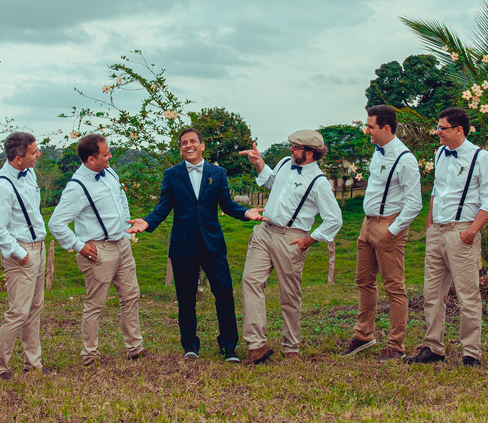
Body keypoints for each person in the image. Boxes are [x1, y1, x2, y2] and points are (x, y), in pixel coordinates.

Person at [128, 127, 264, 362]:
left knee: (224, 294)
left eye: (193, 141)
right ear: (180, 148)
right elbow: (163, 206)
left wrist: (245, 212)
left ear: (202, 146)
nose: (188, 145)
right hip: (183, 245)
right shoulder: (172, 174)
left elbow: (227, 204)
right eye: (183, 143)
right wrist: (148, 223)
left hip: (213, 244)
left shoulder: (217, 172)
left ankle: (228, 346)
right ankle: (190, 345)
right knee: (186, 297)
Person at [237, 130, 343, 364]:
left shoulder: (319, 183)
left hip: (292, 238)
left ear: (310, 152)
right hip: (265, 231)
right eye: (292, 146)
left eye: (295, 147)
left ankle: (290, 348)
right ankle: (256, 346)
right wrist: (259, 163)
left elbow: (334, 219)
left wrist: (310, 239)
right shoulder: (286, 162)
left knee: (289, 295)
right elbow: (273, 182)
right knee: (250, 281)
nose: (291, 150)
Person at [407, 106, 488, 368]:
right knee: (432, 293)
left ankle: (471, 353)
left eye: (442, 128)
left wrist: (470, 232)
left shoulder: (481, 158)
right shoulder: (440, 153)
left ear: (459, 129)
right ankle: (433, 347)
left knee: (468, 295)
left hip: (462, 231)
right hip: (438, 231)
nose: (438, 132)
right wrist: (429, 225)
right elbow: (437, 189)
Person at [48, 133, 143, 367]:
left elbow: (121, 200)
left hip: (121, 243)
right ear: (91, 160)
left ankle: (135, 348)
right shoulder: (76, 187)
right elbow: (56, 223)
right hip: (98, 250)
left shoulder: (110, 172)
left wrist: (126, 228)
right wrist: (79, 246)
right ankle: (90, 355)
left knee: (131, 296)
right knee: (96, 305)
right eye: (105, 154)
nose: (110, 156)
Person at [337, 105, 422, 361]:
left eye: (370, 126)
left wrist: (392, 231)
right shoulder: (377, 153)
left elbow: (414, 202)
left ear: (386, 128)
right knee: (363, 281)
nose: (367, 130)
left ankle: (396, 346)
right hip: (367, 224)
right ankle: (363, 336)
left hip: (389, 226)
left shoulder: (405, 159)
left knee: (394, 288)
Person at [0, 131, 52, 378]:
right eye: (34, 151)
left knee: (35, 307)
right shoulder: (1, 187)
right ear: (17, 158)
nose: (39, 154)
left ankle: (32, 363)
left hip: (39, 245)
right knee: (18, 312)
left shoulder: (30, 172)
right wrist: (20, 254)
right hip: (21, 251)